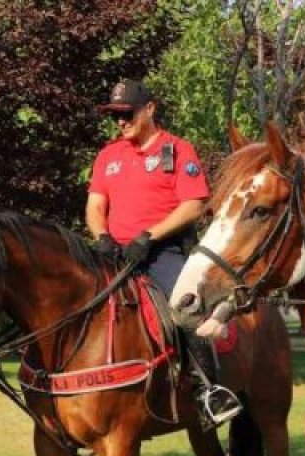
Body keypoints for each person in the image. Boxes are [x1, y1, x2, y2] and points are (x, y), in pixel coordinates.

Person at [86, 79, 241, 428]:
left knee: (185, 311)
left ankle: (208, 392)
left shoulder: (177, 150)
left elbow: (194, 205)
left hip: (162, 253)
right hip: (113, 254)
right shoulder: (108, 155)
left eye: (127, 114)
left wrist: (148, 236)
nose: (120, 121)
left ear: (150, 109)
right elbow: (95, 205)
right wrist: (102, 235)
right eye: (115, 116)